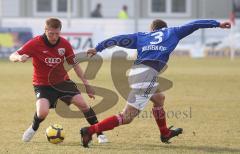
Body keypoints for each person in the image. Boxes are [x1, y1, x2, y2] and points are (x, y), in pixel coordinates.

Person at [80, 19, 231, 147]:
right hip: (146, 76)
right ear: (164, 28)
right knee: (127, 117)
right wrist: (217, 24)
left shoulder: (142, 36)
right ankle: (90, 130)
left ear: (152, 29)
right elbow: (195, 24)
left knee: (159, 98)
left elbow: (120, 39)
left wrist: (98, 48)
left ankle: (165, 133)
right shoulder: (174, 32)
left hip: (136, 72)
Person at [9, 17, 108, 143]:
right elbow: (12, 55)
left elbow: (75, 65)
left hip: (63, 83)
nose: (54, 37)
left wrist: (87, 85)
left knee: (83, 104)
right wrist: (19, 58)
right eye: (51, 33)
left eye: (57, 33)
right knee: (42, 112)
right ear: (45, 30)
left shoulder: (64, 44)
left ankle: (99, 133)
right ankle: (33, 128)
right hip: (42, 84)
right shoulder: (35, 43)